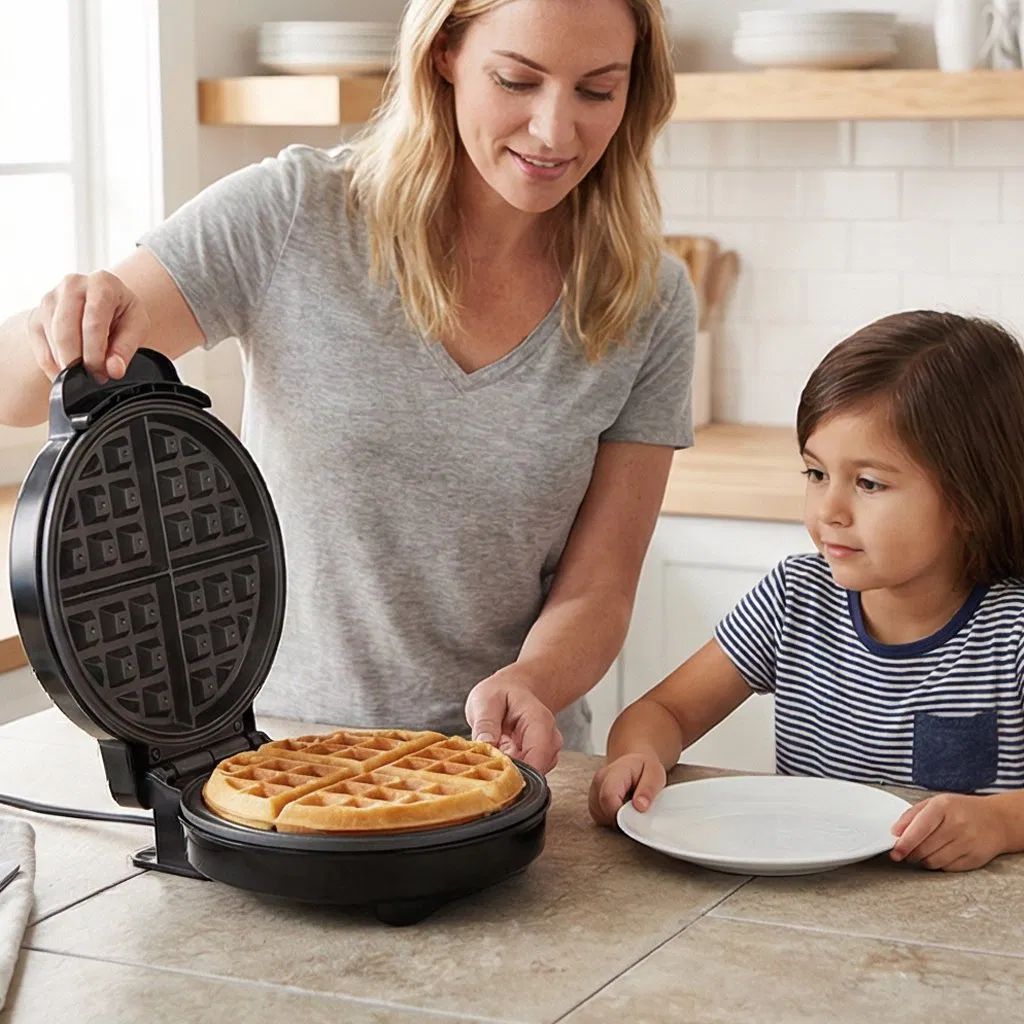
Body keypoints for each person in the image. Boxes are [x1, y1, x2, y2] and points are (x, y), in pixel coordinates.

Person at [0, 0, 696, 773]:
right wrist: (59, 323)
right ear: (444, 56)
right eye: (515, 80)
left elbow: (599, 586)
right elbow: (18, 395)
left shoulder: (647, 299)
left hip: (508, 763)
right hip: (276, 758)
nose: (555, 130)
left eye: (597, 91)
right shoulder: (296, 213)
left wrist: (533, 682)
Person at [590, 310, 1024, 871]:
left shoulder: (1012, 631)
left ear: (972, 500)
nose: (829, 511)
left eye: (869, 483)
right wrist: (638, 756)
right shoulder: (795, 598)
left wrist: (1001, 821)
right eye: (816, 474)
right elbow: (665, 711)